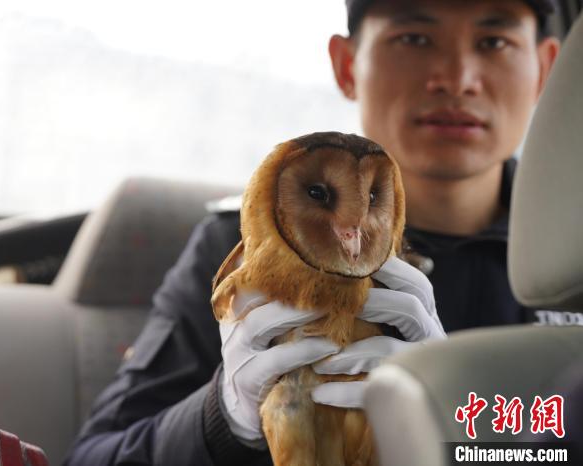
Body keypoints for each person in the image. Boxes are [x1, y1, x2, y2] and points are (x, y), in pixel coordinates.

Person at [63, 1, 560, 465]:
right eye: (414, 38)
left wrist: (462, 430)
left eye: (494, 42)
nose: (456, 79)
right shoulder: (236, 252)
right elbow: (95, 455)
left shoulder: (571, 268)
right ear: (347, 65)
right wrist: (222, 417)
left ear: (545, 68)